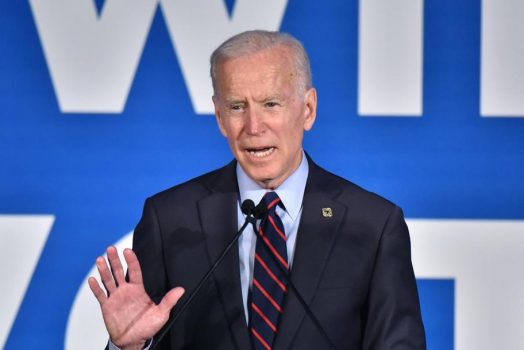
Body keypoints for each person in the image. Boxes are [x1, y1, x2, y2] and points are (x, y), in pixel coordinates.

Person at [89, 30, 426, 350]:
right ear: (220, 117)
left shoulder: (372, 226)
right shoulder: (170, 220)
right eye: (237, 106)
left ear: (307, 109)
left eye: (270, 104)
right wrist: (129, 346)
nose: (253, 127)